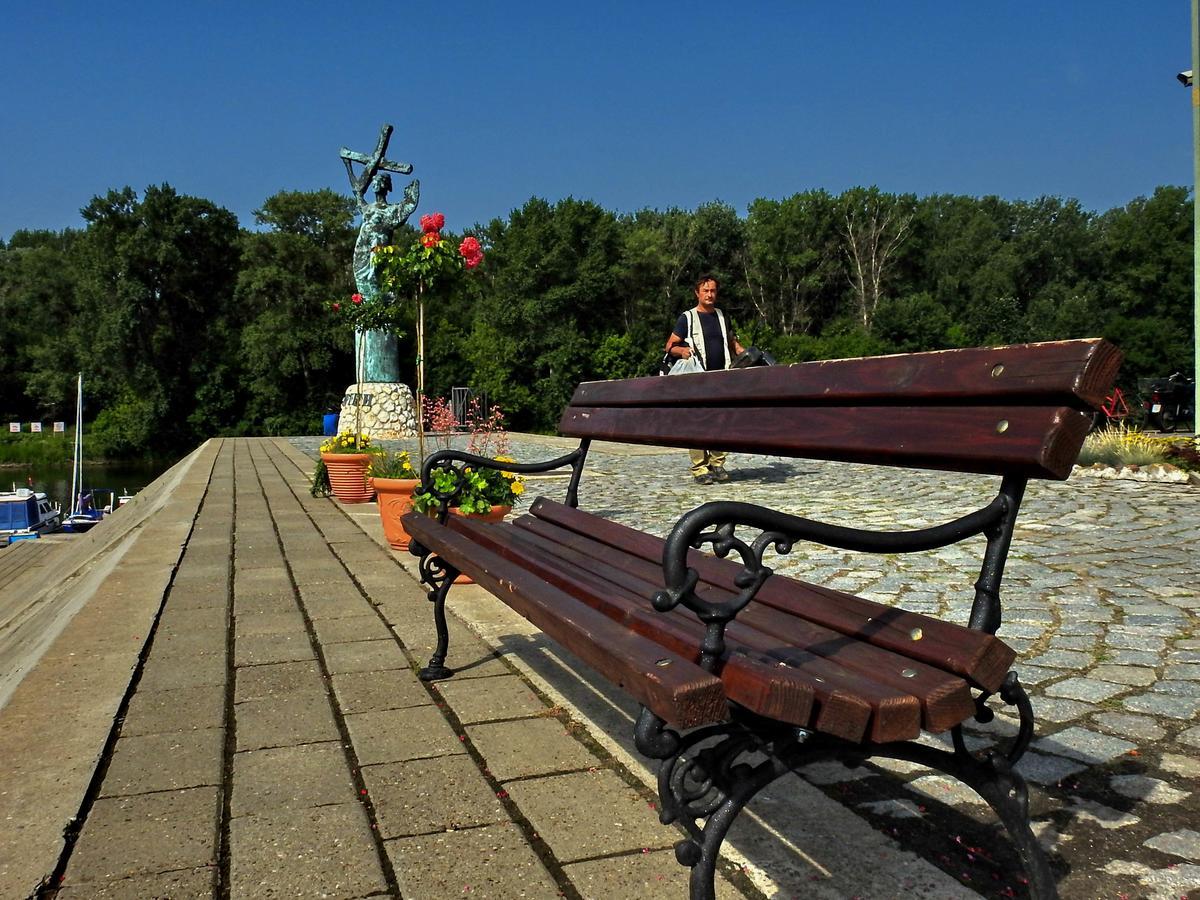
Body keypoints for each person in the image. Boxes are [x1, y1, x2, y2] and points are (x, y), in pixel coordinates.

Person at [663, 275, 745, 484]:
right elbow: (670, 346)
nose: (710, 295)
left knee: (720, 421)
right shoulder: (687, 318)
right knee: (697, 421)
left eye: (713, 291)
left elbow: (732, 341)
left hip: (721, 378)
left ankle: (717, 463)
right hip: (697, 379)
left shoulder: (721, 316)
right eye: (705, 291)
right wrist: (681, 351)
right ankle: (700, 468)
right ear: (697, 293)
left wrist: (746, 355)